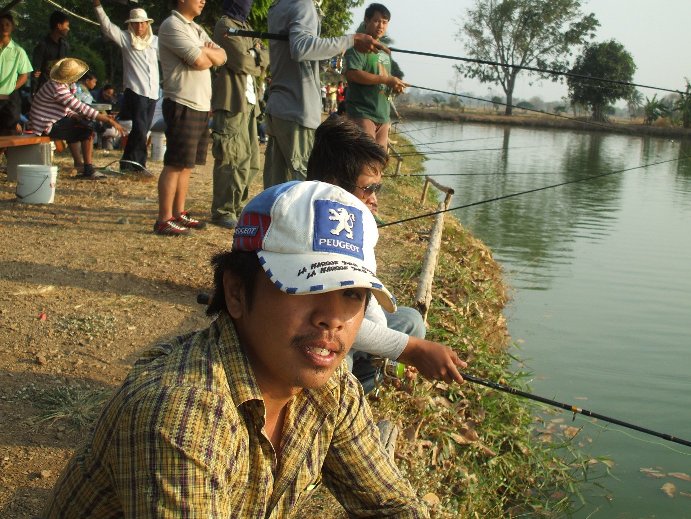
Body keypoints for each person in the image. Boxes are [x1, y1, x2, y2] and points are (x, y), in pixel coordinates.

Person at [44, 180, 429, 518]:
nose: (333, 318)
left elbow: (392, 505)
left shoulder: (333, 390)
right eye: (304, 286)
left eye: (351, 294)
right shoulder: (181, 419)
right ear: (236, 293)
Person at [306, 116, 466, 392]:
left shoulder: (350, 226)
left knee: (411, 320)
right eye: (368, 189)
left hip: (347, 331)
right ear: (333, 185)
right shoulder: (315, 228)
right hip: (319, 338)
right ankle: (345, 397)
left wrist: (394, 356)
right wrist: (411, 350)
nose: (375, 199)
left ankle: (372, 377)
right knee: (339, 365)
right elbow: (335, 324)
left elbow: (369, 307)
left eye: (377, 189)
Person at [262, 0, 386, 189]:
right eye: (378, 21)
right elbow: (301, 48)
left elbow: (302, 55)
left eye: (385, 22)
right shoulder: (303, 4)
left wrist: (336, 51)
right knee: (305, 183)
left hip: (280, 106)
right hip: (297, 108)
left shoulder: (280, 5)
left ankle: (271, 219)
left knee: (277, 185)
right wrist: (351, 40)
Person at [154, 0, 227, 236]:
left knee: (187, 164)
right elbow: (199, 61)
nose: (203, 1)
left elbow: (223, 56)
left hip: (200, 104)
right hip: (181, 101)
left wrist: (205, 51)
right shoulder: (171, 25)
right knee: (175, 162)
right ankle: (164, 218)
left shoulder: (195, 28)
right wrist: (206, 53)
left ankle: (179, 212)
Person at [210, 0, 269, 229]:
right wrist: (255, 57)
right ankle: (223, 209)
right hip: (231, 101)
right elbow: (242, 61)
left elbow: (265, 57)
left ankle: (238, 206)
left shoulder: (246, 26)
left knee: (250, 160)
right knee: (231, 158)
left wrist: (255, 57)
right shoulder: (224, 24)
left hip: (250, 104)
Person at [27, 58, 124, 179]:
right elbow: (80, 107)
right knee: (86, 128)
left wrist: (77, 116)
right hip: (44, 126)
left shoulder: (58, 84)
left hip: (47, 122)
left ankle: (80, 164)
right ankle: (88, 168)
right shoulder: (58, 88)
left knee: (79, 124)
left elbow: (66, 109)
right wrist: (108, 120)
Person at [93, 1, 159, 173]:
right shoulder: (125, 38)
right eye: (135, 23)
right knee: (140, 128)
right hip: (135, 90)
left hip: (152, 92)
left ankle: (128, 163)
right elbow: (107, 27)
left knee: (143, 129)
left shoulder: (155, 42)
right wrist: (98, 6)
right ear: (131, 25)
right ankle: (139, 164)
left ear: (147, 24)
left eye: (142, 23)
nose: (139, 27)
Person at [344, 3, 407, 149]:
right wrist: (387, 79)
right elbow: (352, 74)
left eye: (385, 23)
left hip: (383, 116)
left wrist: (395, 86)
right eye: (377, 21)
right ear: (366, 21)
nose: (381, 26)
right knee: (365, 161)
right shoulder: (359, 45)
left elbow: (386, 81)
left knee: (379, 164)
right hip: (362, 114)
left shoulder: (385, 51)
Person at [0, 12, 32, 136]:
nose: (4, 27)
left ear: (12, 27)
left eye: (7, 24)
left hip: (10, 97)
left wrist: (11, 88)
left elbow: (25, 75)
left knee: (9, 130)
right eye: (1, 24)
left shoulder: (19, 51)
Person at [31, 10, 69, 96]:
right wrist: (33, 93)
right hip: (43, 92)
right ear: (59, 26)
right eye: (67, 26)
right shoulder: (42, 46)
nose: (68, 29)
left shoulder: (65, 46)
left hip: (59, 92)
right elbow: (35, 72)